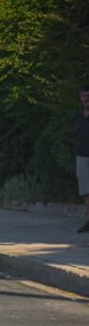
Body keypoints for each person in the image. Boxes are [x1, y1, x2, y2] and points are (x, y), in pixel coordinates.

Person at [75, 84, 89, 232]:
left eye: (88, 96)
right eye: (84, 96)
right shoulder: (78, 115)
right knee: (86, 191)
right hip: (81, 156)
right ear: (80, 98)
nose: (87, 98)